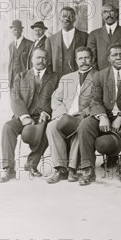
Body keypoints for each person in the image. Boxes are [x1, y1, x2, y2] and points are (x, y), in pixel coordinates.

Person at [76, 43, 121, 186]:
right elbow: (95, 100)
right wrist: (102, 116)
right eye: (114, 55)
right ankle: (88, 170)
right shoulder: (100, 75)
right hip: (106, 114)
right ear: (108, 58)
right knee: (85, 125)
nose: (118, 57)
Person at [0, 48, 60, 181]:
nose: (41, 60)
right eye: (38, 58)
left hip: (42, 116)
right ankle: (8, 168)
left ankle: (31, 164)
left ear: (48, 60)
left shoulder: (55, 77)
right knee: (7, 128)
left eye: (44, 58)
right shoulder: (21, 76)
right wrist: (24, 117)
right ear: (32, 59)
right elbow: (15, 98)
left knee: (46, 128)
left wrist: (46, 112)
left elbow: (56, 98)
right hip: (24, 116)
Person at [46, 46, 96, 183]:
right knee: (51, 126)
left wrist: (84, 113)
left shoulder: (99, 76)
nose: (84, 61)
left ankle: (72, 169)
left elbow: (100, 102)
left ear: (92, 59)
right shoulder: (66, 78)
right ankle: (61, 169)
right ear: (76, 60)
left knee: (81, 127)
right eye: (80, 58)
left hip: (84, 116)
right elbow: (56, 98)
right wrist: (61, 114)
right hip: (65, 114)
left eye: (86, 57)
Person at [87, 3, 121, 71]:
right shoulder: (94, 34)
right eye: (105, 12)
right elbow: (91, 59)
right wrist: (98, 76)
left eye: (111, 11)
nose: (109, 15)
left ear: (116, 14)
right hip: (101, 76)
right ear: (102, 16)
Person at [45, 7, 88, 76]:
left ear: (75, 19)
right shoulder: (50, 40)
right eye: (64, 16)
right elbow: (47, 63)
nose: (67, 19)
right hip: (57, 80)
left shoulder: (85, 36)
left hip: (79, 78)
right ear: (59, 18)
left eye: (70, 16)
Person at [8, 20, 33, 90]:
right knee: (13, 99)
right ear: (11, 31)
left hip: (24, 78)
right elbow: (10, 64)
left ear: (22, 30)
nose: (16, 32)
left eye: (18, 29)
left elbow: (32, 64)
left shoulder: (30, 44)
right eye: (14, 29)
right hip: (13, 79)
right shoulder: (11, 45)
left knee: (24, 98)